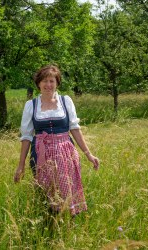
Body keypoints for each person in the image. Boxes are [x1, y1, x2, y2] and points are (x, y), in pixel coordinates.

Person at [14, 65, 99, 216]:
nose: (48, 85)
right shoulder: (31, 105)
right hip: (41, 154)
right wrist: (20, 166)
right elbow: (26, 137)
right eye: (45, 81)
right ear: (38, 84)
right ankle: (50, 226)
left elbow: (75, 129)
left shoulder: (65, 101)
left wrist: (88, 154)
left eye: (52, 81)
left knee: (68, 190)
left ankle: (69, 224)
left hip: (66, 154)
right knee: (46, 194)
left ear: (57, 83)